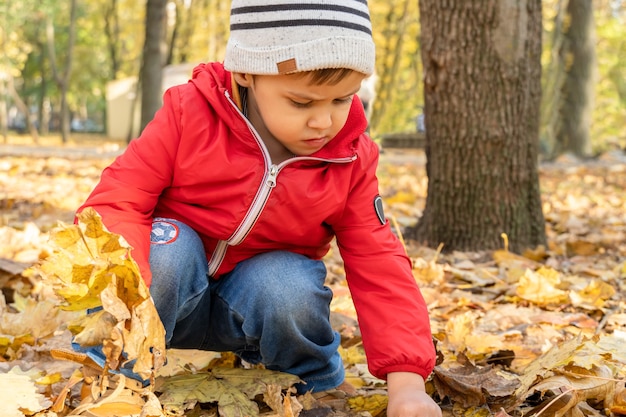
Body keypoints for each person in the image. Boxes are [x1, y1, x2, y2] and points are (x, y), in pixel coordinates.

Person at [75, 1, 441, 416]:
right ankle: (113, 377)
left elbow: (379, 262)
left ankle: (308, 389)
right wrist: (130, 293)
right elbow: (117, 201)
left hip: (255, 311)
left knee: (287, 282)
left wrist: (408, 383)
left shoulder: (349, 157)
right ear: (246, 72)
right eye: (302, 103)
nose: (324, 122)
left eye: (343, 100)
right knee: (166, 250)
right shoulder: (188, 113)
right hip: (169, 295)